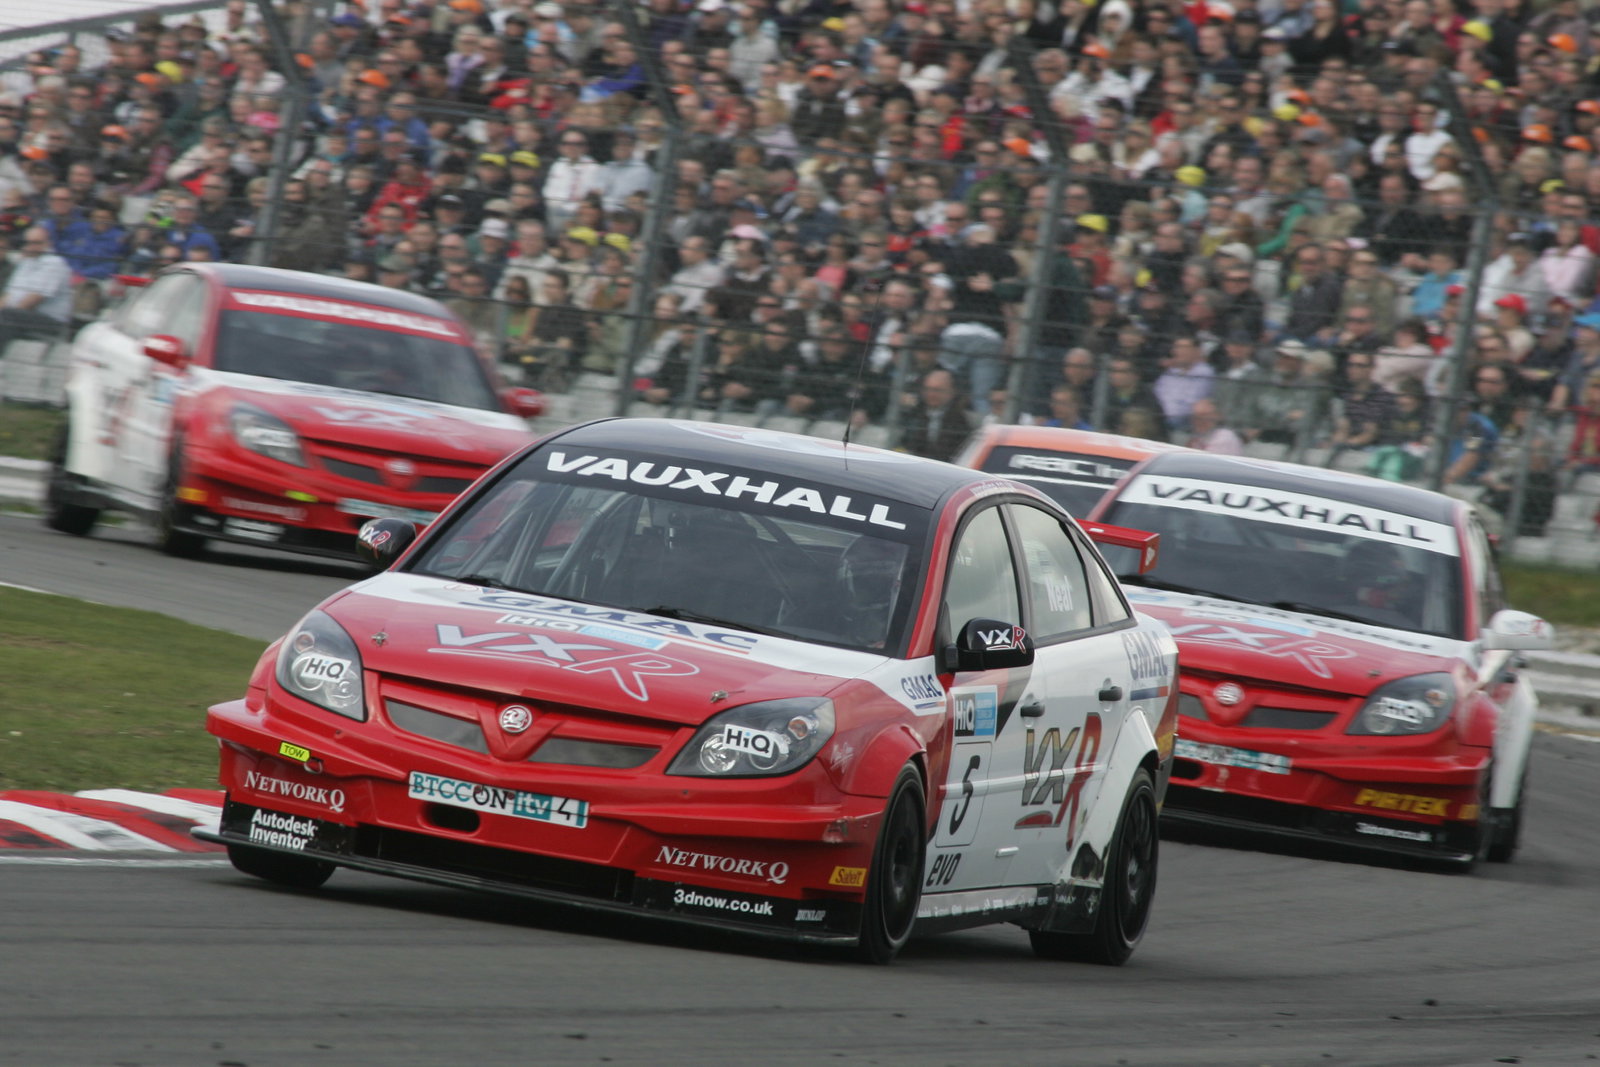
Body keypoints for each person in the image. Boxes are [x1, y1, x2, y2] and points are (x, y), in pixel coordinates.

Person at [0, 226, 74, 347]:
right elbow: (8, 296)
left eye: (36, 243)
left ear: (48, 243)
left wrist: (6, 312)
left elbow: (33, 300)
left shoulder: (54, 264)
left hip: (51, 322)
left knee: (7, 316)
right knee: (7, 315)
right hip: (22, 316)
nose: (31, 246)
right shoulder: (25, 262)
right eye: (28, 243)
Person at [897, 368, 973, 462]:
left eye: (937, 390)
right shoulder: (913, 415)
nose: (931, 394)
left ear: (951, 392)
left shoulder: (961, 421)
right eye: (927, 389)